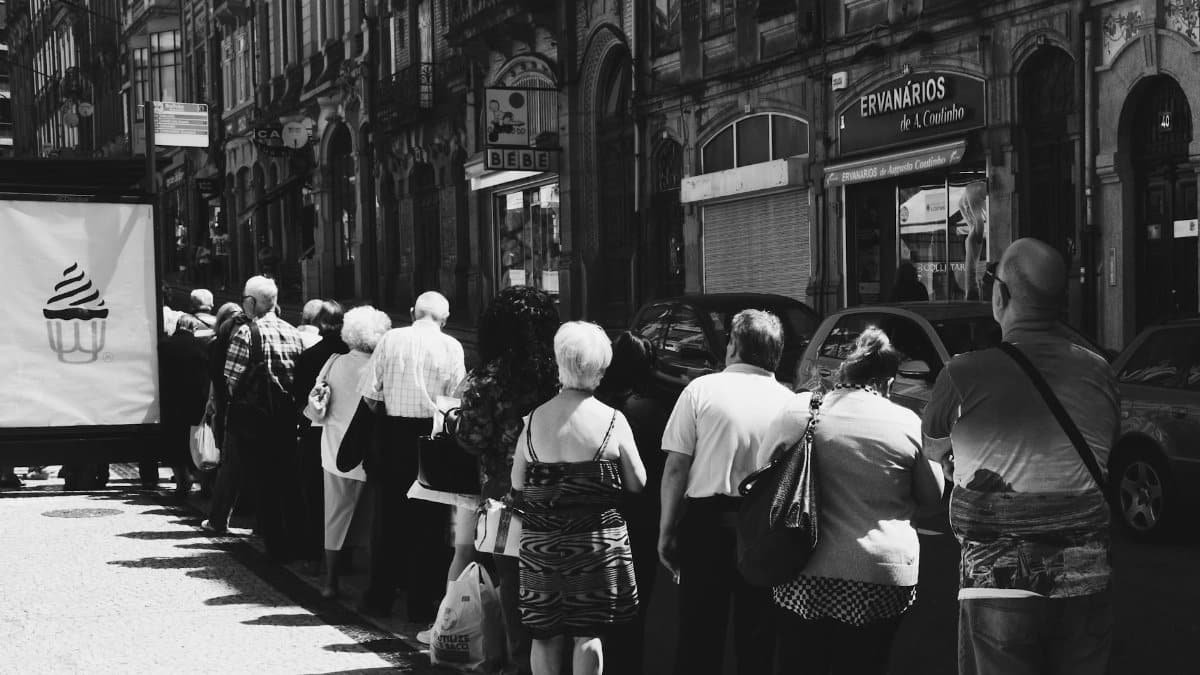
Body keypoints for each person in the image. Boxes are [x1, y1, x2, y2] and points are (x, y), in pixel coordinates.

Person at [922, 238, 1119, 675]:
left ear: (999, 296)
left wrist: (960, 456)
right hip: (1087, 582)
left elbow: (932, 447)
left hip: (998, 586)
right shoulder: (1099, 372)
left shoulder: (963, 372)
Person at [758, 327, 945, 674]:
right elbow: (933, 499)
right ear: (888, 381)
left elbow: (762, 474)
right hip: (881, 575)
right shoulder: (905, 421)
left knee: (800, 661)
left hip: (804, 567)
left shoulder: (797, 412)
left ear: (843, 372)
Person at [658, 309, 796, 675]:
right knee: (758, 639)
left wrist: (667, 531)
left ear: (733, 345)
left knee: (698, 637)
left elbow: (675, 468)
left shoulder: (701, 390)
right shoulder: (789, 402)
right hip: (765, 527)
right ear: (775, 354)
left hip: (706, 525)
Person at [513, 322, 646, 675]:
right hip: (595, 545)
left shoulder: (533, 420)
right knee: (588, 633)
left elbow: (518, 484)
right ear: (600, 370)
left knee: (543, 634)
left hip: (541, 545)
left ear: (560, 363)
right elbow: (639, 483)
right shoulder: (612, 421)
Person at [456, 285, 562, 675]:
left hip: (504, 496)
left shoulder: (487, 380)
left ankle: (517, 661)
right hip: (557, 489)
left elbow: (472, 438)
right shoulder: (557, 373)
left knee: (511, 580)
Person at [357, 290, 466, 620]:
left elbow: (370, 394)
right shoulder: (452, 346)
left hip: (393, 435)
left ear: (412, 311)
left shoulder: (391, 339)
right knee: (430, 525)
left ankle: (380, 598)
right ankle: (421, 603)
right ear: (444, 320)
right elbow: (456, 401)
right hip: (432, 438)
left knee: (389, 520)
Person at [203, 276, 304, 564]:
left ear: (251, 302)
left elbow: (231, 380)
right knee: (288, 481)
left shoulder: (246, 333)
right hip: (285, 418)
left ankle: (276, 547)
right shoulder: (293, 332)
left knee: (264, 483)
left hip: (253, 421)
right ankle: (296, 543)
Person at [595, 332, 670, 675]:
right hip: (643, 515)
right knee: (636, 603)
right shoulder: (655, 408)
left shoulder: (599, 408)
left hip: (603, 514)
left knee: (598, 607)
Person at [305, 305, 391, 599]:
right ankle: (369, 581)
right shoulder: (382, 367)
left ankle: (330, 581)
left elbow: (316, 406)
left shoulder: (333, 362)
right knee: (372, 519)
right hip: (371, 454)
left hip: (336, 451)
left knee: (335, 516)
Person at [291, 301, 349, 571]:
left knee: (314, 496)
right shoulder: (352, 353)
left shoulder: (311, 355)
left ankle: (315, 555)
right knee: (345, 500)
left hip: (316, 433)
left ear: (320, 324)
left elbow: (300, 398)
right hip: (347, 433)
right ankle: (343, 558)